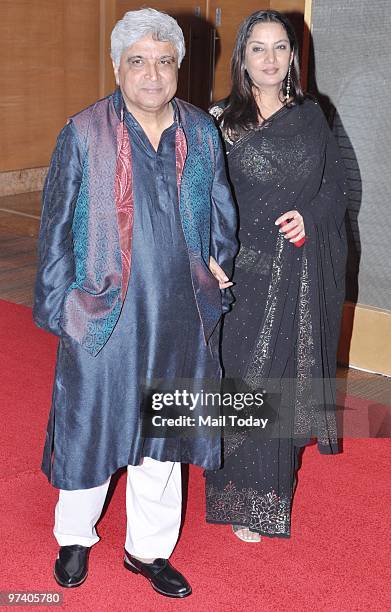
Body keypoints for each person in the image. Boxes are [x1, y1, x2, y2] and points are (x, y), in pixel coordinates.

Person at [33, 8, 237, 597]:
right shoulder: (84, 132)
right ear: (117, 66)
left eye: (164, 61)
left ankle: (147, 552)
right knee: (90, 428)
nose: (152, 75)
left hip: (179, 312)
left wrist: (218, 260)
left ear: (179, 67)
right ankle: (75, 536)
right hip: (104, 315)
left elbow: (222, 212)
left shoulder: (200, 132)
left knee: (164, 439)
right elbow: (55, 227)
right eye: (139, 61)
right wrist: (63, 309)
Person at [205, 10, 347, 542]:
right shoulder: (219, 119)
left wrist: (309, 218)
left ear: (293, 55)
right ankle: (229, 487)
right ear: (243, 56)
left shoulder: (313, 114)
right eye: (258, 48)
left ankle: (265, 499)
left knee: (279, 379)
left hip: (293, 272)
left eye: (280, 47)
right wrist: (208, 256)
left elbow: (334, 189)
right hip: (236, 271)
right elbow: (200, 197)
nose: (269, 59)